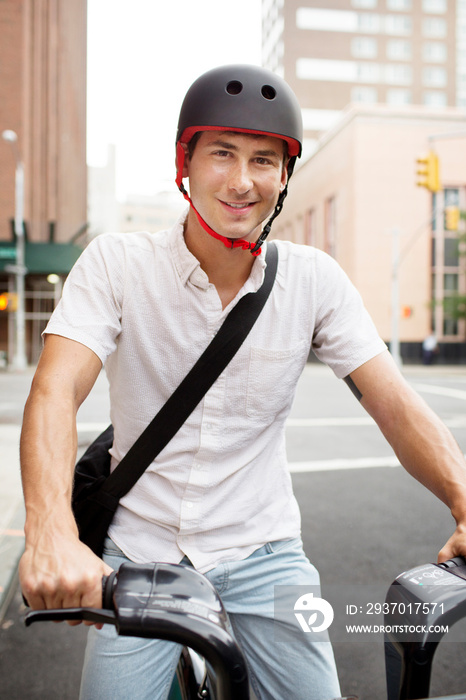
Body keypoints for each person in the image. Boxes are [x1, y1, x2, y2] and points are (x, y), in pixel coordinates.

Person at [19, 65, 466, 700]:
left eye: (263, 160)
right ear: (186, 163)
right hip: (138, 556)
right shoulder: (118, 265)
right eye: (221, 153)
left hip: (266, 552)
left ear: (284, 177)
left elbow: (394, 404)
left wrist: (463, 497)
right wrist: (51, 533)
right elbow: (54, 392)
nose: (240, 180)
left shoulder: (314, 280)